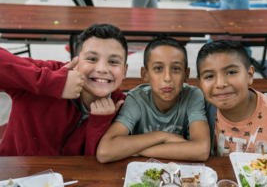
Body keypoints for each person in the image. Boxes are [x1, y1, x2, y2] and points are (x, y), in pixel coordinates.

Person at [0, 24, 128, 156]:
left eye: (113, 62)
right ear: (76, 62)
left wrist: (99, 125)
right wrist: (50, 83)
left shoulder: (123, 108)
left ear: (124, 71)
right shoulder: (50, 72)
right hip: (13, 173)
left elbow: (96, 169)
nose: (102, 69)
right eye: (92, 59)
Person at [97, 37, 211, 163]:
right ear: (145, 74)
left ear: (186, 75)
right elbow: (105, 151)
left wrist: (135, 150)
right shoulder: (137, 99)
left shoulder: (192, 96)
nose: (167, 78)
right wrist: (162, 136)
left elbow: (202, 150)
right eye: (158, 68)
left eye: (176, 69)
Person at [196, 40, 267, 156]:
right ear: (199, 82)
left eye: (231, 72)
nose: (220, 84)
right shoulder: (199, 112)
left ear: (249, 75)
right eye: (209, 76)